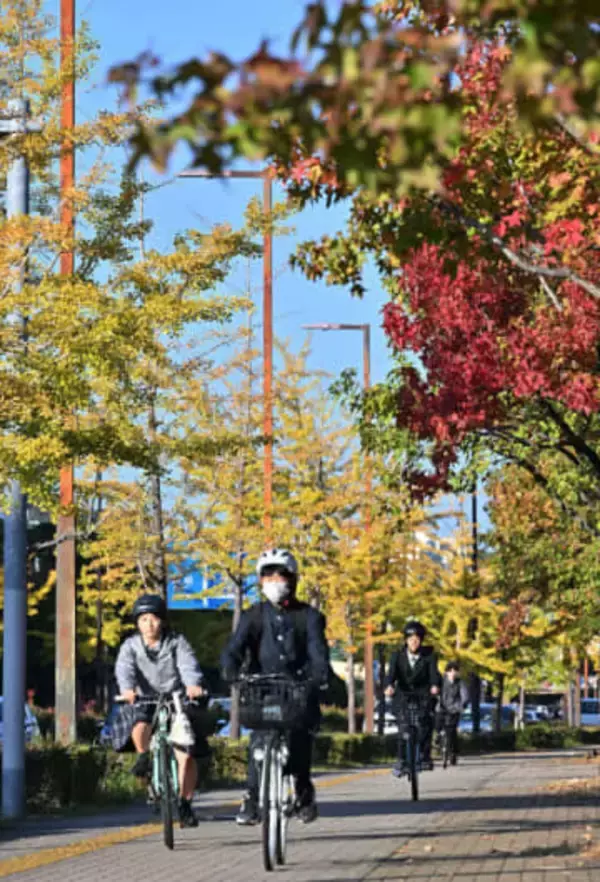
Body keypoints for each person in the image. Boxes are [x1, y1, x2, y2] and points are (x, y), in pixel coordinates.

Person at [221, 548, 330, 826]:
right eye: (267, 576)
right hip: (263, 689)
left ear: (292, 579)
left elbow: (318, 652)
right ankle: (252, 798)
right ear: (260, 581)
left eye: (279, 575)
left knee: (300, 739)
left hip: (297, 690)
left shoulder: (309, 616)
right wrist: (231, 670)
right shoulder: (253, 616)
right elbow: (234, 649)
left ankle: (304, 793)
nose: (274, 581)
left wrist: (319, 675)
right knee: (258, 740)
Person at [114, 593, 208, 828]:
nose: (149, 624)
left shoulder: (176, 642)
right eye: (143, 619)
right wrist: (127, 690)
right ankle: (144, 758)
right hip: (145, 698)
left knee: (186, 752)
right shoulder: (131, 646)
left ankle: (185, 803)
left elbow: (188, 665)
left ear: (163, 621)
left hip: (176, 697)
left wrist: (192, 685)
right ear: (137, 623)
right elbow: (124, 668)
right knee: (140, 725)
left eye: (154, 619)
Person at [385, 620, 441, 775]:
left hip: (423, 694)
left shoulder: (429, 655)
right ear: (406, 640)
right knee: (403, 727)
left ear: (421, 641)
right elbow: (391, 675)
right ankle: (401, 760)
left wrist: (435, 686)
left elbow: (434, 675)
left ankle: (424, 756)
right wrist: (389, 686)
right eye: (411, 639)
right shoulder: (397, 656)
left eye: (417, 639)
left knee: (425, 723)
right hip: (403, 694)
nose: (414, 643)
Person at [435, 661, 469, 765]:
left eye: (455, 671)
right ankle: (439, 736)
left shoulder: (460, 683)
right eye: (451, 671)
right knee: (437, 725)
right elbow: (434, 692)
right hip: (441, 708)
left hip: (454, 709)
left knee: (452, 731)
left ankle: (453, 752)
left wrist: (462, 704)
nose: (453, 673)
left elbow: (465, 695)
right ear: (447, 672)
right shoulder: (441, 682)